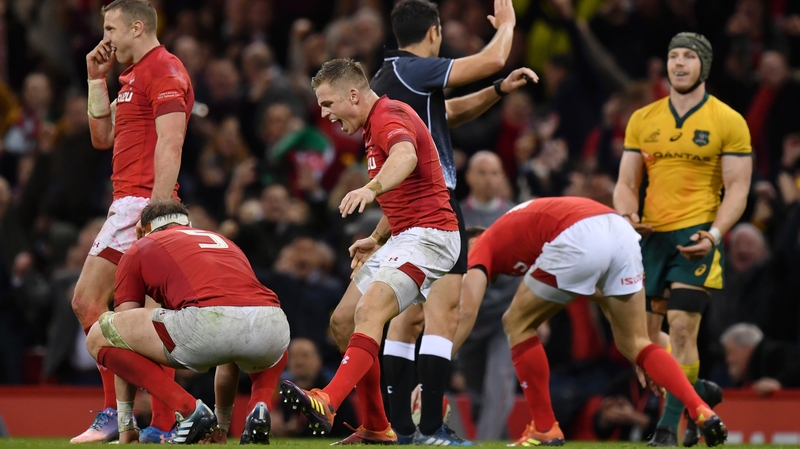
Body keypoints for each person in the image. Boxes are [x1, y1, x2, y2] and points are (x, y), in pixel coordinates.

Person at [364, 0, 537, 443]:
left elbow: (448, 114)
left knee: (406, 317)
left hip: (405, 210)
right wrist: (509, 25)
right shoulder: (415, 69)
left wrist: (498, 91)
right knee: (444, 314)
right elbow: (494, 57)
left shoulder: (390, 78)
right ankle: (431, 428)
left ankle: (401, 427)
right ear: (435, 33)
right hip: (435, 204)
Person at [279, 57, 460, 445]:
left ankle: (328, 399)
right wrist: (377, 237)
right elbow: (405, 190)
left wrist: (370, 189)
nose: (324, 114)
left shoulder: (388, 115)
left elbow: (406, 158)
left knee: (369, 310)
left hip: (431, 235)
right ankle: (378, 428)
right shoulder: (372, 124)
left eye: (328, 104)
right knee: (344, 321)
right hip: (403, 234)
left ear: (354, 95)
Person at [458, 197, 728, 447]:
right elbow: (600, 295)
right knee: (636, 342)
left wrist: (437, 362)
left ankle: (544, 428)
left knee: (515, 323)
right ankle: (699, 407)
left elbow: (466, 312)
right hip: (619, 233)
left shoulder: (482, 243)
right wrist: (639, 358)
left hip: (579, 234)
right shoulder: (522, 235)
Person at [613, 32, 751, 447]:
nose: (679, 63)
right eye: (673, 56)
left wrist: (713, 235)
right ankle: (697, 396)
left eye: (689, 56)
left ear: (703, 65)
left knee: (683, 328)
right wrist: (627, 216)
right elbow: (625, 182)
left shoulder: (728, 121)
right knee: (642, 341)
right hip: (651, 237)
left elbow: (738, 189)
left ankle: (665, 431)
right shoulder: (643, 118)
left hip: (697, 235)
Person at [70, 0, 195, 443]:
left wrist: (156, 211)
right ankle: (159, 424)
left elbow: (171, 142)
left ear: (137, 27)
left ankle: (125, 414)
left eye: (111, 29)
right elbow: (102, 136)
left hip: (141, 204)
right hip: (127, 202)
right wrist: (94, 80)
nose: (106, 39)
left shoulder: (164, 70)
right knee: (142, 321)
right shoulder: (130, 76)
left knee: (88, 302)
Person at [84, 198, 290, 445]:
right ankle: (258, 406)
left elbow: (121, 332)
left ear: (142, 229)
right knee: (245, 340)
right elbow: (235, 317)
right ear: (188, 224)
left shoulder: (141, 247)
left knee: (100, 334)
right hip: (274, 324)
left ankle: (190, 409)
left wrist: (126, 424)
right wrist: (222, 428)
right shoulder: (225, 242)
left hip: (206, 324)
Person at [456, 151, 518, 441]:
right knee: (479, 396)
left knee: (499, 386)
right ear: (468, 177)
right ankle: (493, 438)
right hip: (466, 317)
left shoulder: (515, 215)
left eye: (495, 173)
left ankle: (484, 443)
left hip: (506, 316)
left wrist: (539, 316)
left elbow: (533, 264)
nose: (489, 179)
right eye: (482, 172)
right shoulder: (455, 215)